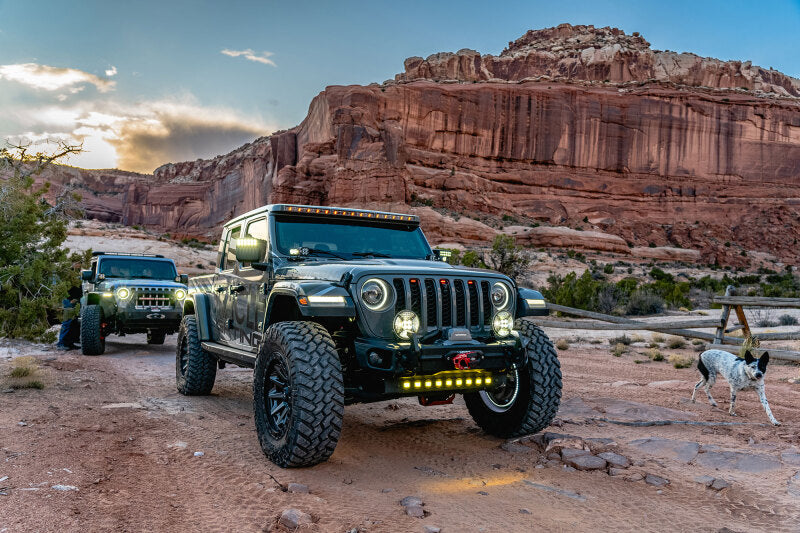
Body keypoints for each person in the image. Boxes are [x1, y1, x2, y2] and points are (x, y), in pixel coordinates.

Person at [56, 285, 82, 350]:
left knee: (74, 323)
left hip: (76, 299)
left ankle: (70, 343)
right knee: (68, 321)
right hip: (69, 300)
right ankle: (61, 343)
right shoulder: (70, 276)